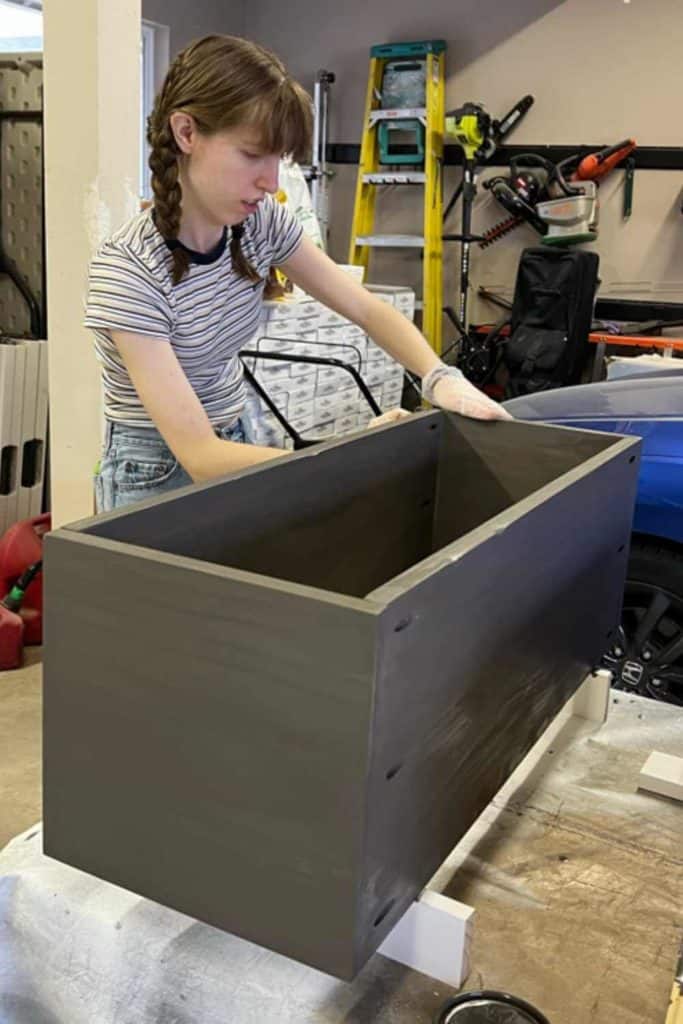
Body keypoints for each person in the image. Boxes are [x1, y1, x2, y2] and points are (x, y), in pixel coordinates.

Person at [85, 34, 510, 513]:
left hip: (238, 435)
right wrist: (352, 458)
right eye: (251, 155)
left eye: (277, 159)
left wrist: (438, 376)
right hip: (154, 470)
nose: (270, 181)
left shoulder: (258, 223)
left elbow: (365, 308)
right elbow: (199, 455)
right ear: (186, 133)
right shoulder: (129, 270)